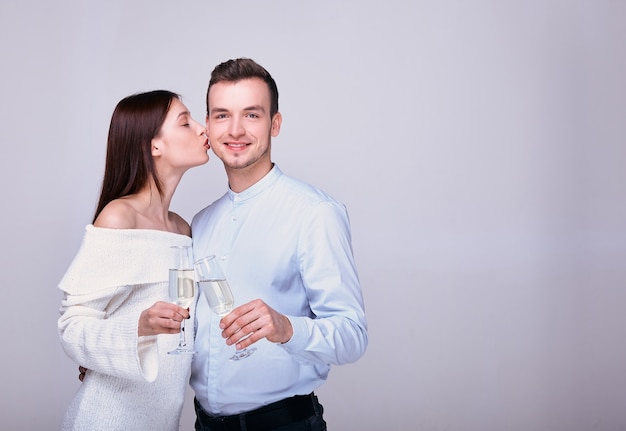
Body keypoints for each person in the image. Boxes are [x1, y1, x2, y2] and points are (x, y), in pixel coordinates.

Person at [190, 58, 368, 430]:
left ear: (275, 124)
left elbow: (352, 335)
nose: (235, 129)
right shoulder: (200, 223)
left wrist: (286, 328)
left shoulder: (314, 213)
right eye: (222, 115)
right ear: (208, 125)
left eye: (251, 115)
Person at [57, 90, 210, 430]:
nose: (203, 129)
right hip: (106, 420)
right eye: (186, 122)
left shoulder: (183, 230)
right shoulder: (118, 217)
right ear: (154, 145)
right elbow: (73, 327)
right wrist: (138, 327)